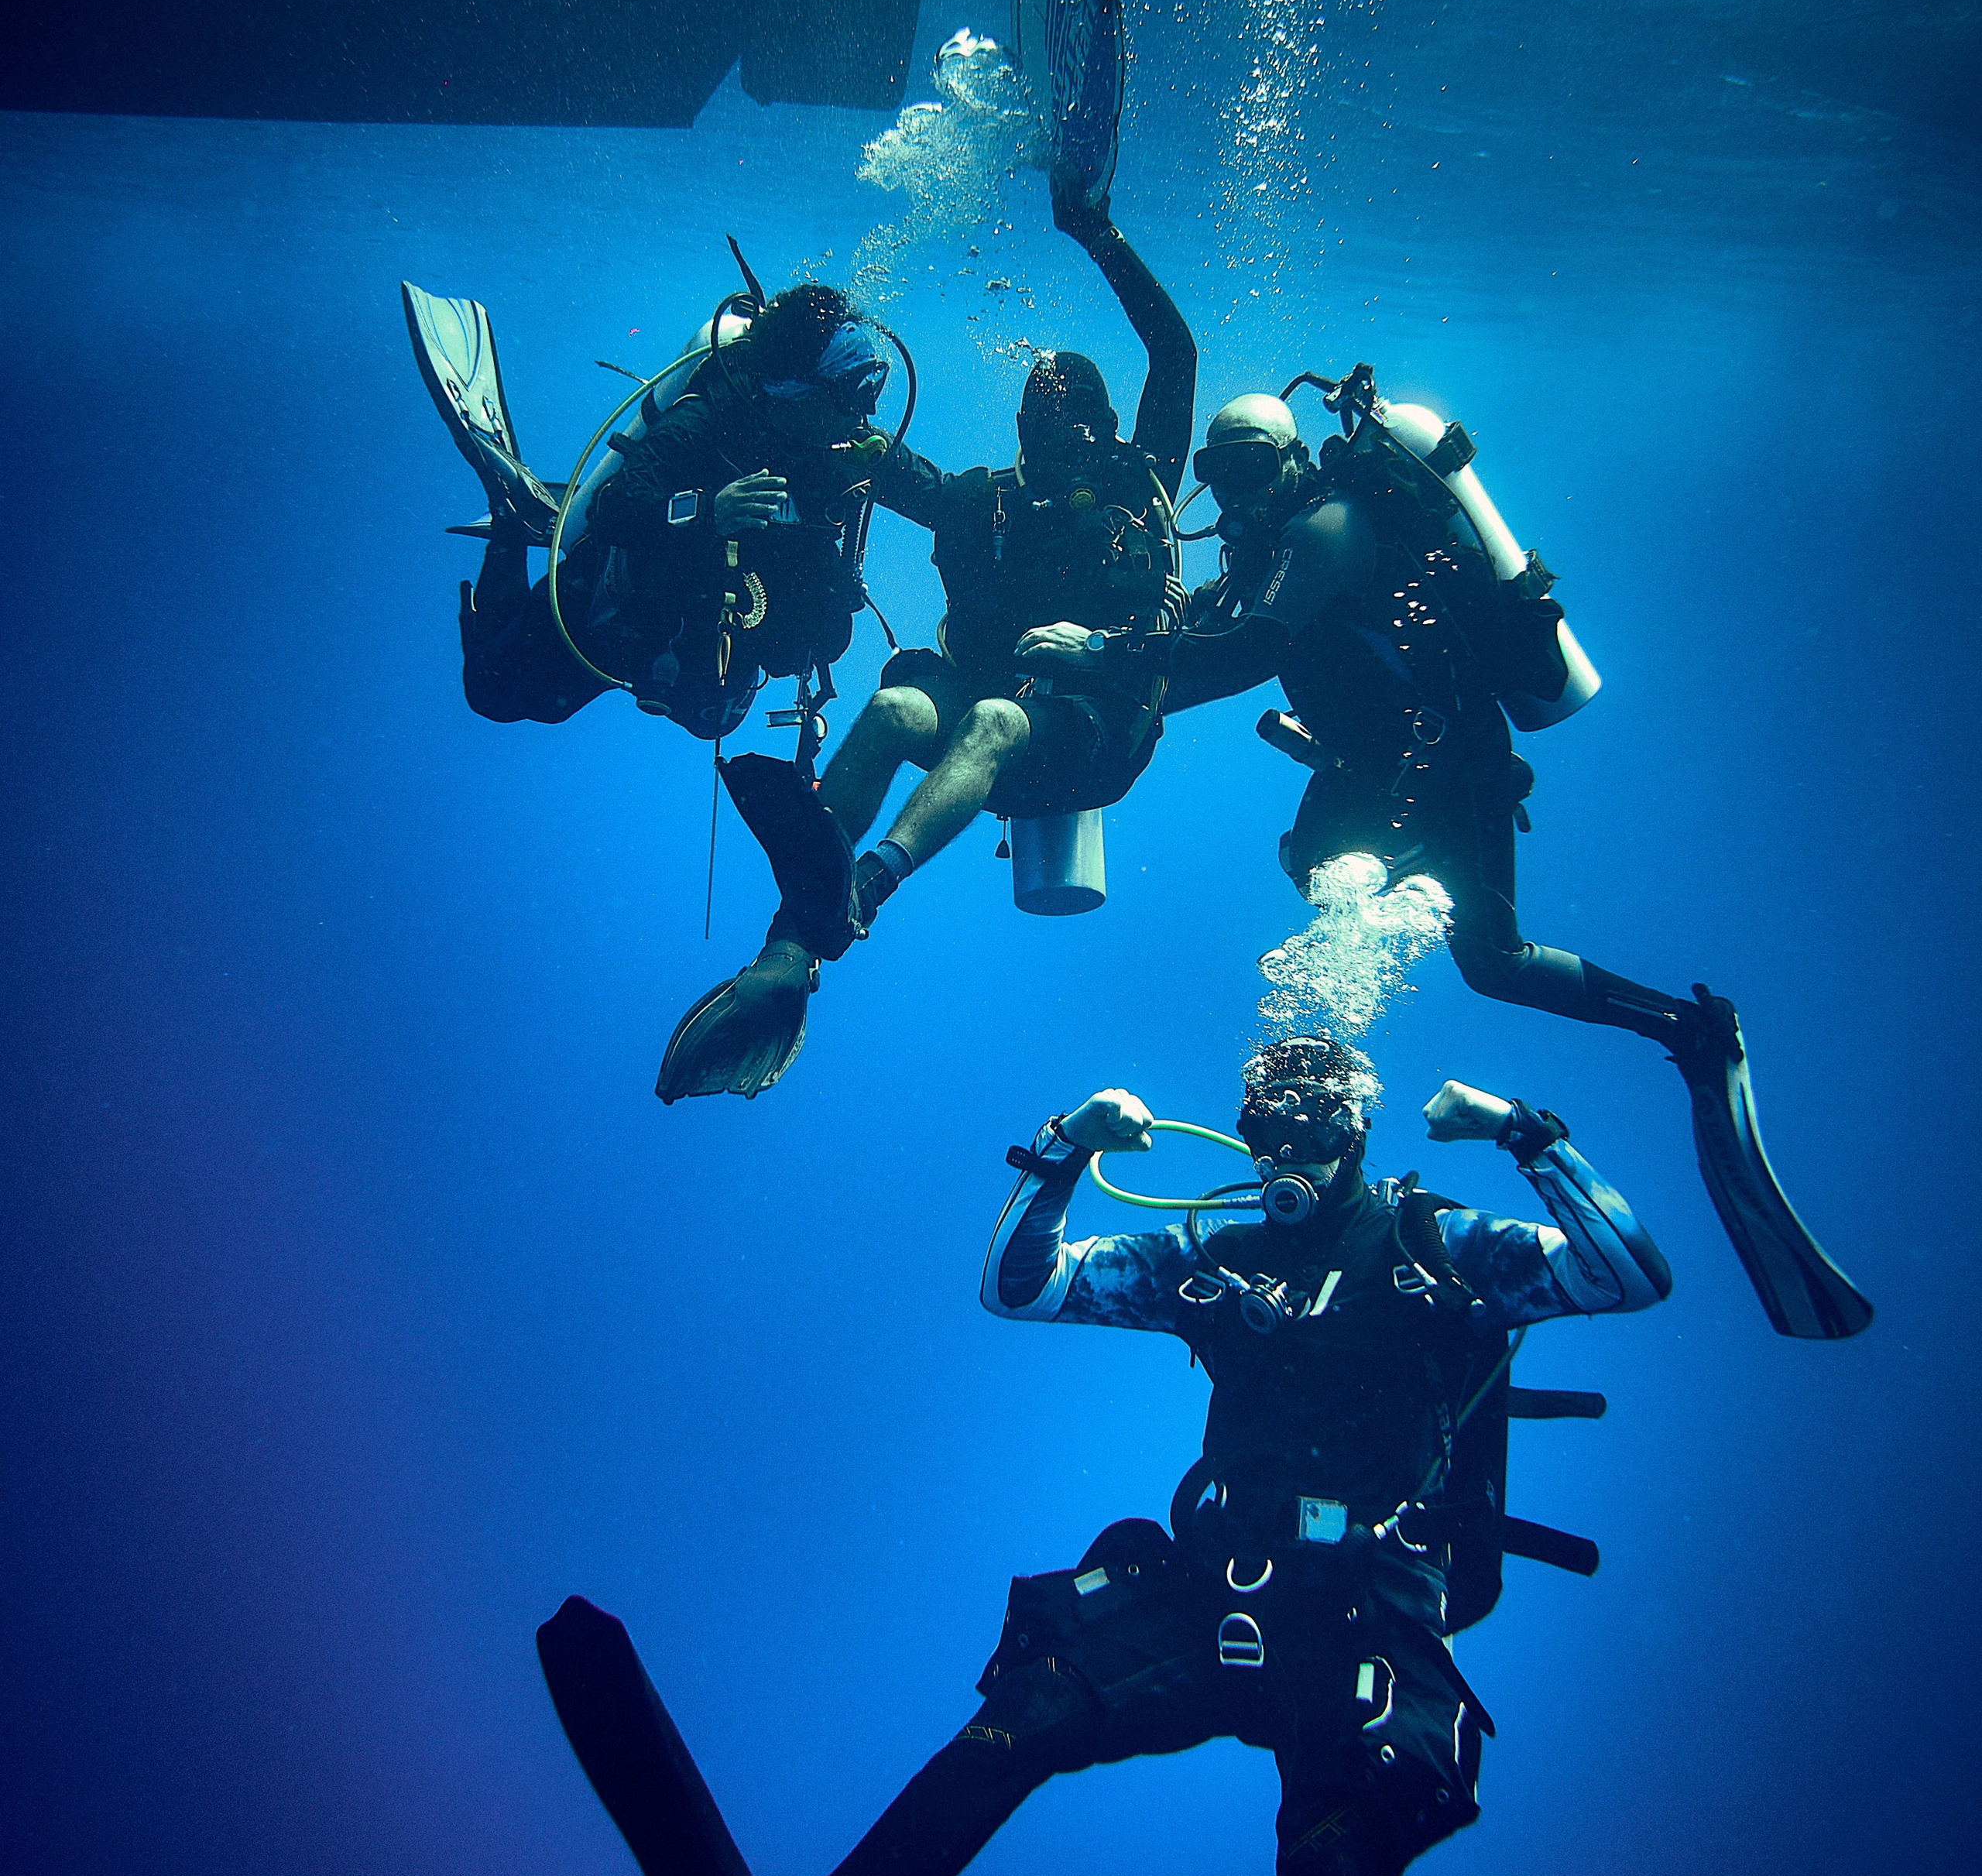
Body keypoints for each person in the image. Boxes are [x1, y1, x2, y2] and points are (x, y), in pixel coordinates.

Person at [537, 1035, 1671, 1876]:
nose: (1286, 1145)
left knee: (1323, 1875)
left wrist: (1523, 1131)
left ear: (1359, 1128)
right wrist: (1063, 1149)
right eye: (1266, 1122)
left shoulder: (1435, 1245)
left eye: (1312, 1121)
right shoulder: (1213, 1258)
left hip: (1365, 1610)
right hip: (1221, 1590)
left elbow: (1628, 1272)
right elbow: (1021, 1289)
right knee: (1027, 1714)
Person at [1052, 376, 1871, 1343]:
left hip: (1452, 765)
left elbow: (1235, 658)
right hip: (1372, 768)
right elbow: (1204, 643)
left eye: (1250, 464)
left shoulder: (1324, 529)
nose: (1232, 488)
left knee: (1494, 962)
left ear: (1292, 460)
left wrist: (1102, 657)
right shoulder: (1263, 553)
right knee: (1316, 869)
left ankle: (1693, 1032)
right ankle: (1400, 881)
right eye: (1216, 468)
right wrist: (1103, 662)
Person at [654, 172, 1198, 1103]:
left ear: (1107, 431)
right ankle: (790, 943)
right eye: (1042, 431)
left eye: (1078, 431)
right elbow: (868, 452)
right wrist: (781, 379)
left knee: (989, 720)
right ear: (1021, 432)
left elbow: (1174, 352)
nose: (1060, 448)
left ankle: (862, 890)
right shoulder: (980, 502)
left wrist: (1097, 232)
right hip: (989, 726)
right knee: (897, 706)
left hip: (1094, 736)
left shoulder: (1138, 485)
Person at [404, 275, 903, 746]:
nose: (866, 413)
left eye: (870, 391)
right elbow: (615, 507)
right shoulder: (706, 418)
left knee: (717, 719)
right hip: (619, 614)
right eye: (851, 394)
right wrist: (708, 513)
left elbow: (937, 494)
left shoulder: (849, 448)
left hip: (708, 634)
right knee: (493, 692)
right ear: (799, 391)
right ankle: (511, 520)